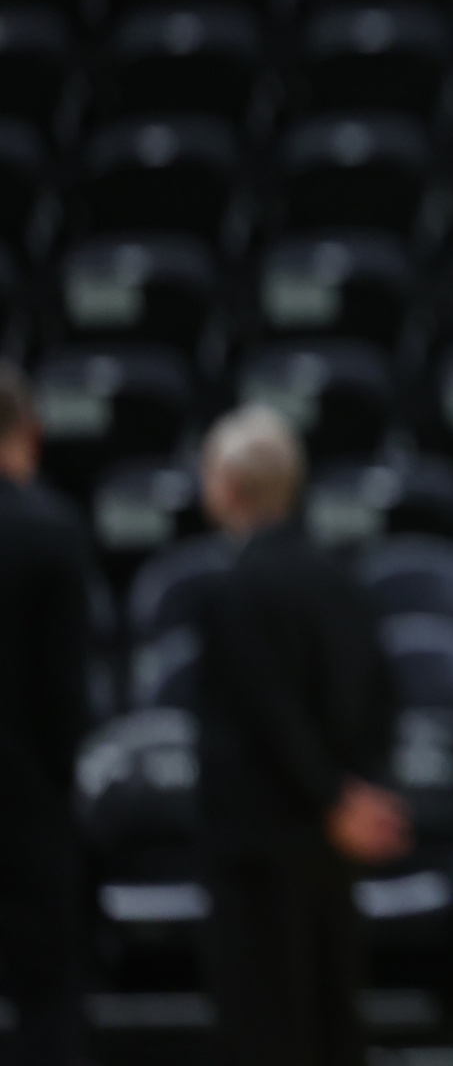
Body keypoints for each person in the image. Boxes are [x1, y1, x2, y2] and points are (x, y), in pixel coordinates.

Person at [193, 404, 409, 1066]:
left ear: (226, 483)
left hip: (257, 847)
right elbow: (383, 698)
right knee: (334, 1019)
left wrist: (327, 797)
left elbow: (269, 717)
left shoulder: (228, 589)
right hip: (334, 845)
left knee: (263, 1029)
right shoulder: (345, 580)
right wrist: (361, 796)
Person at [0, 362, 94, 1066]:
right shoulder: (50, 530)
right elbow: (64, 696)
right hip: (27, 800)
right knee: (48, 999)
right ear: (29, 428)